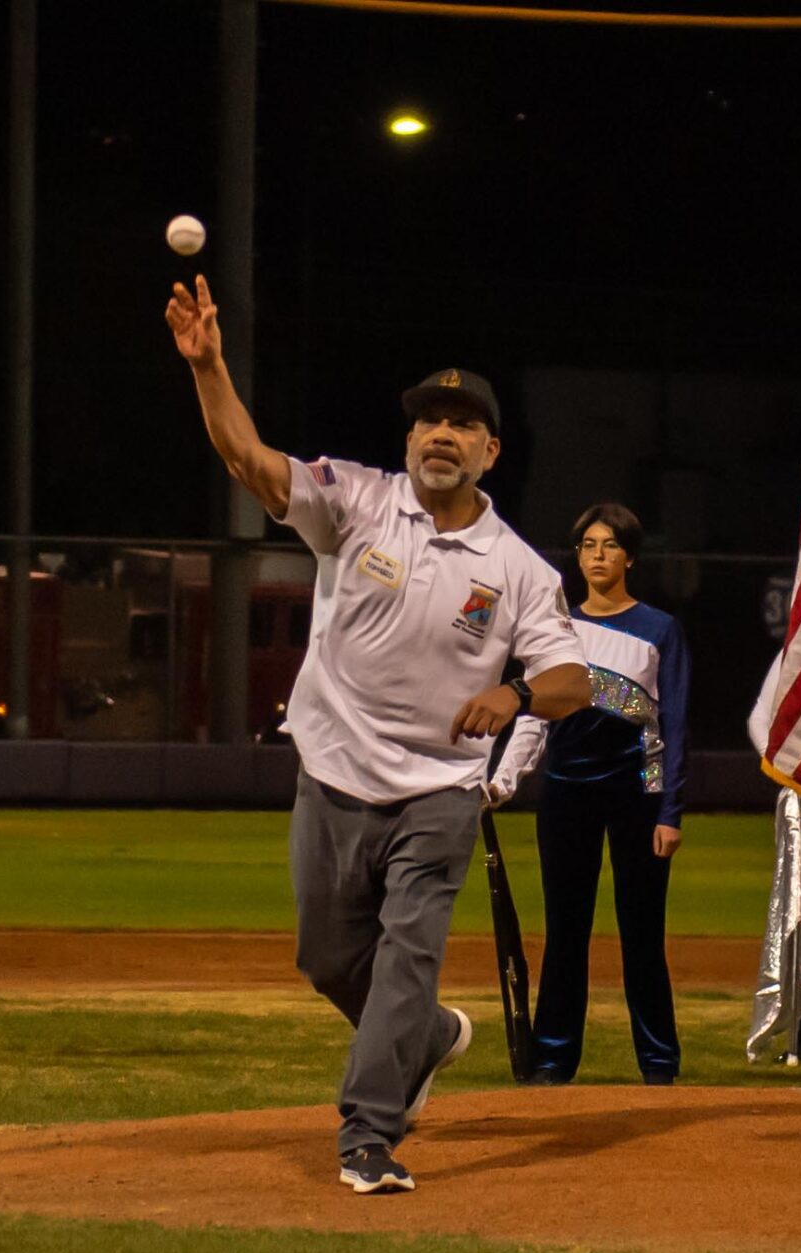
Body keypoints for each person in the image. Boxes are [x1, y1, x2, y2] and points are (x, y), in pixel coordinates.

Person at [166, 276, 588, 1194]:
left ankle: (367, 1135)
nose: (442, 433)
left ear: (490, 451)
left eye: (463, 424)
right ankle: (426, 1036)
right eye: (429, 420)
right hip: (333, 769)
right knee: (325, 957)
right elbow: (249, 460)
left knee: (407, 955)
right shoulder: (353, 499)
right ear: (408, 440)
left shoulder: (517, 567)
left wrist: (515, 693)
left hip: (440, 790)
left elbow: (572, 680)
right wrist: (208, 369)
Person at [490, 502, 690, 1085]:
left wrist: (669, 809)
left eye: (610, 545)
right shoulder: (556, 631)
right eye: (588, 546)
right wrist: (504, 780)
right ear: (577, 557)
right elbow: (533, 718)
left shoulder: (660, 629)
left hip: (637, 797)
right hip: (565, 795)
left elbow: (673, 726)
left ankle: (658, 1061)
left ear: (630, 557)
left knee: (642, 933)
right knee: (565, 931)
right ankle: (553, 1058)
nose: (598, 556)